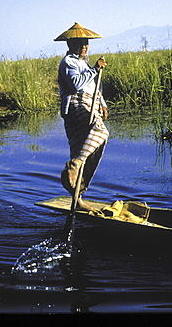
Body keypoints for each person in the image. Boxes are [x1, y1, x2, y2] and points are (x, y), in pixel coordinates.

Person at [54, 23, 109, 211]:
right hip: (76, 105)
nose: (84, 47)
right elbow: (77, 84)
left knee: (87, 151)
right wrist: (94, 69)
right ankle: (76, 163)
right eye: (80, 43)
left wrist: (102, 104)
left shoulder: (83, 63)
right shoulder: (68, 62)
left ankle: (78, 199)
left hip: (90, 104)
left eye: (86, 43)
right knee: (101, 132)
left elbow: (94, 88)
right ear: (70, 45)